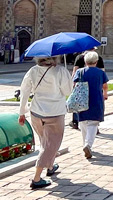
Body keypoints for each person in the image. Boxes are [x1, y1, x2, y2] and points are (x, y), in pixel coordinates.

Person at [18, 56, 72, 189]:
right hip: (55, 112)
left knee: (45, 141)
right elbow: (67, 91)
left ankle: (50, 166)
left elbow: (24, 91)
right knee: (50, 144)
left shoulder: (33, 71)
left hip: (36, 112)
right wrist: (67, 78)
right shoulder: (60, 71)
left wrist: (22, 112)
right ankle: (36, 178)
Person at [73, 51, 108, 159]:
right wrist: (105, 94)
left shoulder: (80, 71)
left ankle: (85, 143)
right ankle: (88, 145)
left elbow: (74, 84)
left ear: (85, 61)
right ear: (96, 61)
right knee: (93, 123)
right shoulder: (100, 72)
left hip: (82, 100)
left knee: (83, 122)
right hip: (96, 99)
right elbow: (105, 86)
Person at [70, 48, 105, 130]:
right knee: (94, 103)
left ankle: (76, 121)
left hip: (81, 85)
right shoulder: (98, 58)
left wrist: (73, 84)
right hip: (95, 85)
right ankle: (95, 122)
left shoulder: (79, 57)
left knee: (79, 103)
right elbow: (103, 71)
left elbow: (75, 71)